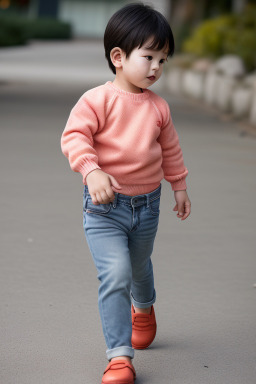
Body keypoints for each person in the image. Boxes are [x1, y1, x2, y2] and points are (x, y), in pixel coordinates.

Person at [61, 3, 191, 383]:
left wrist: (179, 186)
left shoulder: (158, 108)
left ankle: (145, 308)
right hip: (104, 209)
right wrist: (92, 169)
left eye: (163, 60)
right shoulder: (96, 100)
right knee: (115, 274)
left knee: (138, 269)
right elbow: (74, 136)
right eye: (148, 56)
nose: (156, 68)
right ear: (118, 57)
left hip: (147, 207)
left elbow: (170, 150)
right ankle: (119, 356)